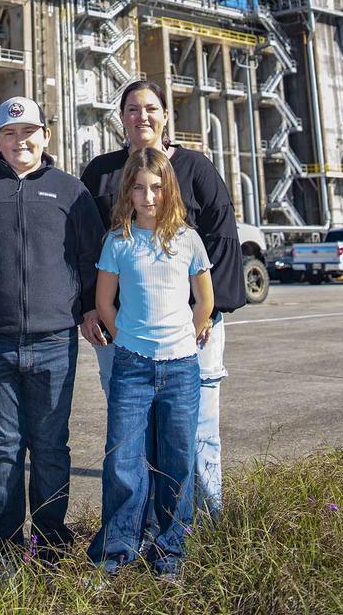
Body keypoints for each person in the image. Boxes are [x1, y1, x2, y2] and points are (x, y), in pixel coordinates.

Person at [0, 96, 105, 561]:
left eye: (29, 132)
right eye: (10, 134)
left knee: (51, 446)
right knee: (2, 448)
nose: (20, 141)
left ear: (45, 136)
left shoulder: (71, 191)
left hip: (54, 341)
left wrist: (81, 306)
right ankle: (6, 543)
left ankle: (51, 539)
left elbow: (89, 256)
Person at [81, 79, 245, 518]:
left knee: (198, 431)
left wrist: (207, 317)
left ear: (166, 115)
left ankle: (204, 523)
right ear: (122, 118)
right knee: (131, 434)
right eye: (132, 109)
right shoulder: (100, 172)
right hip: (122, 333)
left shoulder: (195, 168)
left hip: (192, 332)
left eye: (151, 108)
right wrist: (88, 309)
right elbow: (82, 246)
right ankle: (145, 526)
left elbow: (222, 236)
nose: (142, 117)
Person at [88, 147, 213, 577]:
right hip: (132, 367)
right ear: (128, 192)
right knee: (124, 460)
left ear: (169, 190)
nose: (148, 196)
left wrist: (190, 334)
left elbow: (205, 299)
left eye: (157, 187)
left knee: (177, 459)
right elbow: (104, 303)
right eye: (139, 188)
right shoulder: (119, 240)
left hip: (181, 368)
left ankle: (169, 549)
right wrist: (129, 340)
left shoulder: (187, 239)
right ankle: (117, 550)